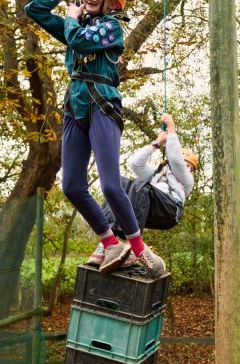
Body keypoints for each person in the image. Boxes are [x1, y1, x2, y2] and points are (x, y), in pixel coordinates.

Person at [24, 0, 166, 278]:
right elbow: (34, 10)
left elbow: (79, 39)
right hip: (74, 110)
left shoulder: (112, 27)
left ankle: (139, 248)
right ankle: (110, 243)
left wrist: (70, 19)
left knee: (111, 186)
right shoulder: (75, 25)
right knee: (72, 187)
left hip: (103, 107)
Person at [86, 113, 197, 268]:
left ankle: (132, 246)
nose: (186, 167)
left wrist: (171, 128)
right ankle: (107, 243)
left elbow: (176, 160)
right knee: (119, 183)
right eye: (186, 163)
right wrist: (156, 143)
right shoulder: (157, 174)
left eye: (189, 166)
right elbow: (135, 164)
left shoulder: (187, 180)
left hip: (170, 211)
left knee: (141, 185)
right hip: (150, 210)